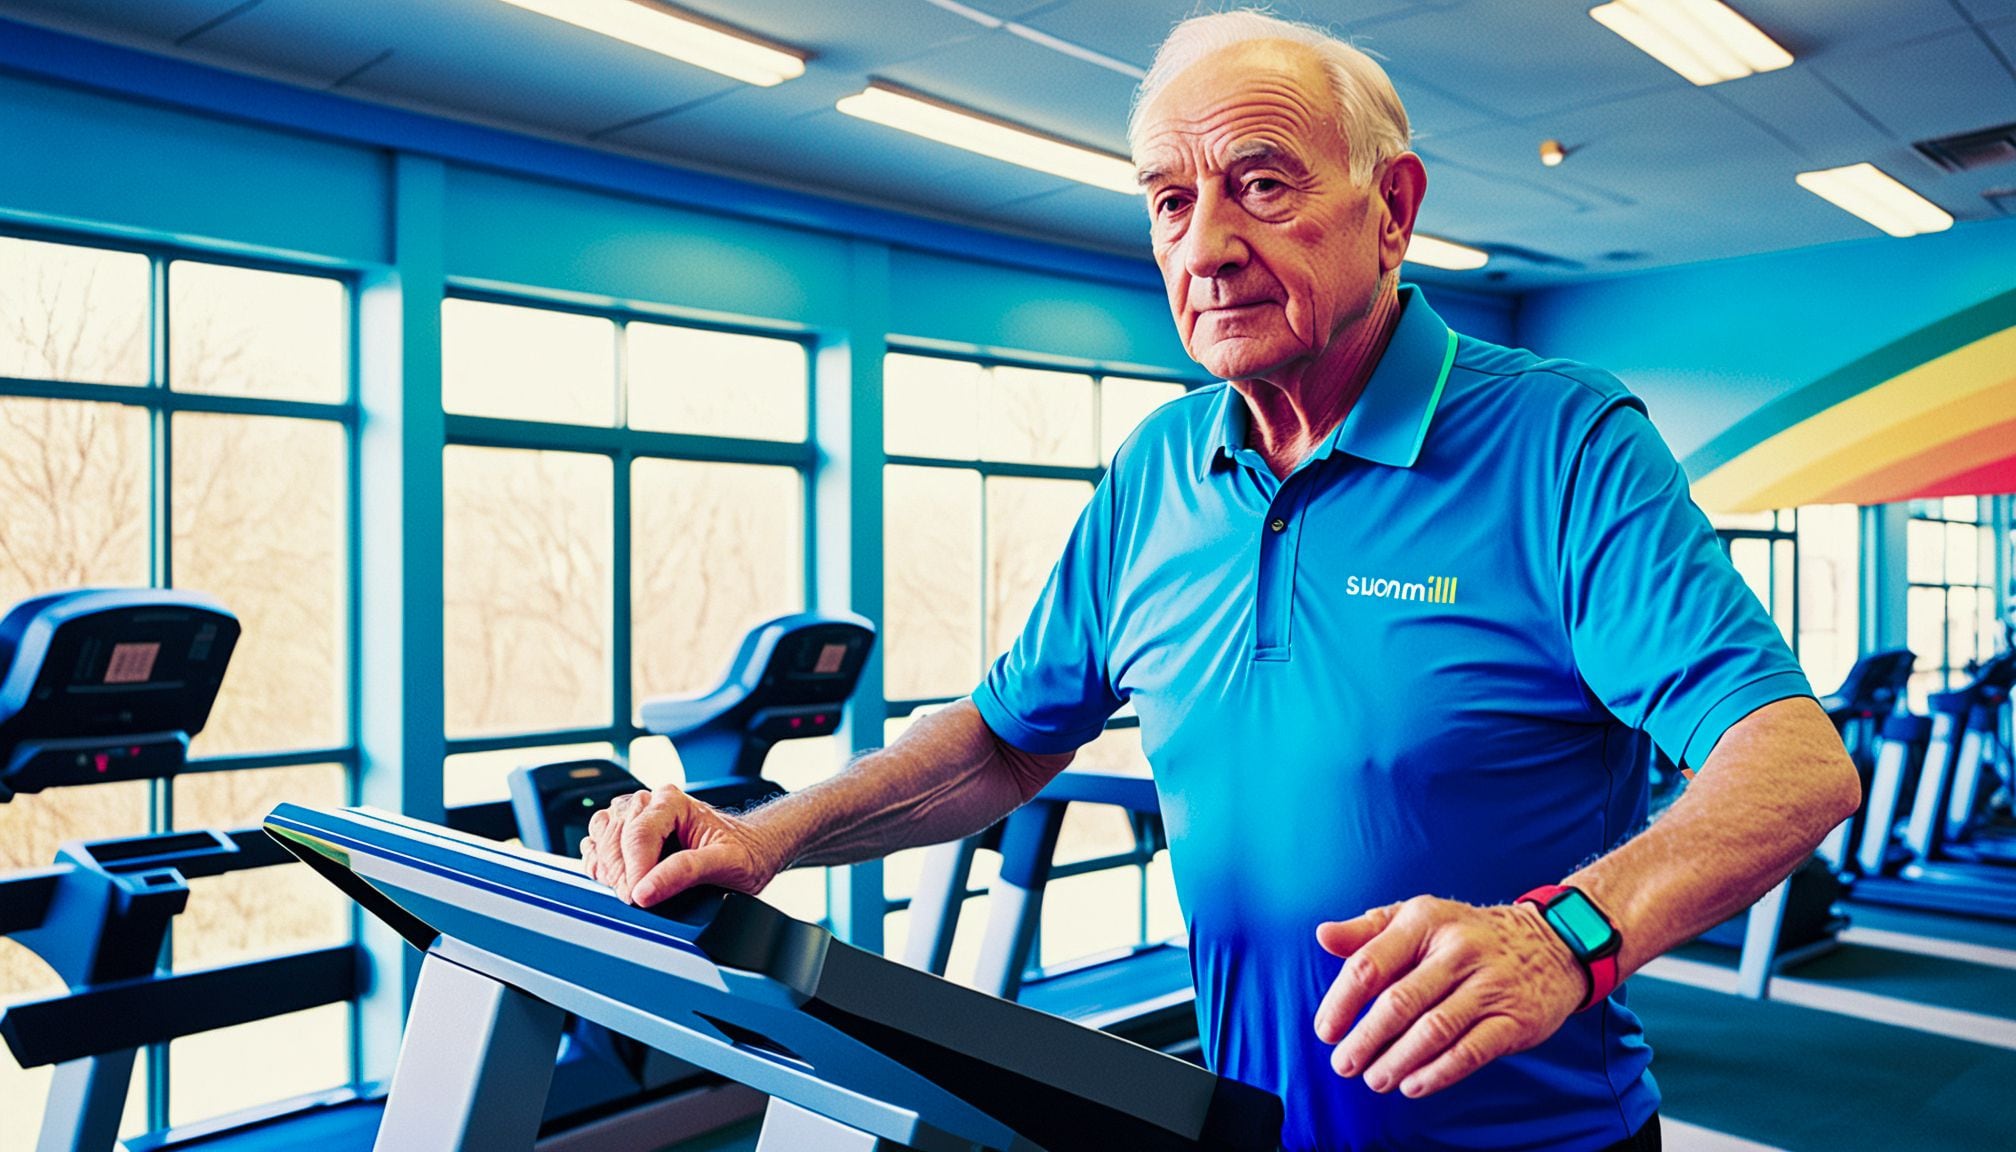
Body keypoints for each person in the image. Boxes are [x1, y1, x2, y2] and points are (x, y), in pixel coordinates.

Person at [582, 10, 1860, 1151]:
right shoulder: (1158, 470)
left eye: (1261, 186)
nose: (1209, 245)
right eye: (1170, 202)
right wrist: (768, 835)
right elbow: (1000, 743)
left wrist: (1564, 936)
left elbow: (1795, 762)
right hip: (1243, 1121)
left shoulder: (1559, 443)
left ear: (1393, 208)